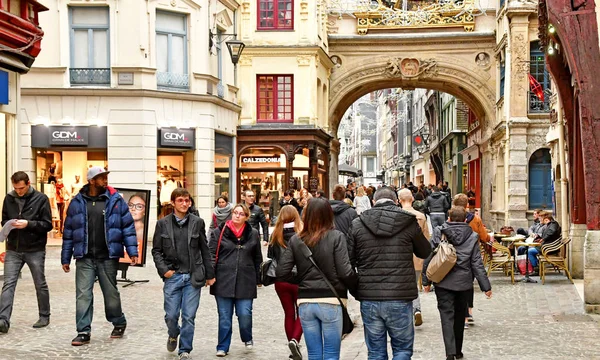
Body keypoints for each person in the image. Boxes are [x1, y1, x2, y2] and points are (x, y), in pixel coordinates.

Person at [348, 187, 430, 359]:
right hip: (400, 295)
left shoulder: (358, 223)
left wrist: (358, 289)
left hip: (370, 297)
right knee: (402, 350)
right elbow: (424, 251)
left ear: (372, 202)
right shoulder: (408, 222)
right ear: (396, 201)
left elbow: (349, 261)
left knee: (376, 352)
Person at [61, 166, 138, 346]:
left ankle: (119, 322)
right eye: (101, 177)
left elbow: (127, 227)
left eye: (105, 177)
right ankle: (83, 331)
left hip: (107, 257)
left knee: (110, 293)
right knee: (83, 295)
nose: (105, 180)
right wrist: (65, 257)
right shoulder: (77, 202)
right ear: (92, 180)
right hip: (84, 258)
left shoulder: (115, 201)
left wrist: (132, 251)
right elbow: (69, 231)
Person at [277, 197, 357, 360]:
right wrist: (356, 287)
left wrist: (301, 279)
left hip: (306, 302)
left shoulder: (296, 239)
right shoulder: (336, 237)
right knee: (331, 354)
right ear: (329, 215)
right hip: (330, 300)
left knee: (314, 354)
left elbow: (282, 272)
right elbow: (345, 271)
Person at [152, 188, 215, 360]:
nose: (185, 203)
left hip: (193, 277)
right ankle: (173, 334)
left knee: (188, 316)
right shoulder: (162, 224)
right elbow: (156, 251)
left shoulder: (197, 222)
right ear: (173, 203)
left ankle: (185, 350)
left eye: (187, 200)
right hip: (173, 276)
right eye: (180, 200)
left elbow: (205, 250)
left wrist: (210, 274)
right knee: (171, 315)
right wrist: (164, 271)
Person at [422, 206, 492, 360]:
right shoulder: (473, 236)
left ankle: (450, 353)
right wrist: (485, 286)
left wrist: (425, 280)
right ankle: (458, 351)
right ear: (465, 219)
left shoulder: (440, 232)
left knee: (446, 316)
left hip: (443, 281)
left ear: (449, 218)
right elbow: (476, 263)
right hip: (463, 283)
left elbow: (429, 255)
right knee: (460, 317)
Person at [0, 171, 53, 334]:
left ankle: (44, 315)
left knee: (40, 283)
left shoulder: (41, 198)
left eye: (21, 188)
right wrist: (10, 224)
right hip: (13, 248)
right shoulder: (9, 198)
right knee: (8, 284)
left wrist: (28, 224)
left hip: (34, 248)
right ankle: (3, 320)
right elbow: (3, 219)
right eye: (16, 188)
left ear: (28, 183)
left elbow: (47, 224)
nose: (19, 191)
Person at [210, 203, 263, 357]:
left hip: (246, 280)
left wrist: (258, 278)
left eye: (241, 214)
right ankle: (222, 346)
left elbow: (257, 257)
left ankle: (247, 337)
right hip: (223, 279)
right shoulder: (219, 232)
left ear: (246, 217)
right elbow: (211, 254)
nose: (237, 216)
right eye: (235, 212)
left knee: (245, 314)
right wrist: (210, 275)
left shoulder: (252, 233)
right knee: (225, 316)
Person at [268, 205, 304, 360]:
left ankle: (292, 344)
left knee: (289, 313)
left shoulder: (276, 234)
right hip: (299, 279)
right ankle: (295, 340)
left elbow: (271, 255)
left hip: (281, 280)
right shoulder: (302, 233)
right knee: (302, 312)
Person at [452, 193, 490, 328]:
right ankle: (468, 312)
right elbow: (484, 237)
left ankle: (461, 314)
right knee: (468, 284)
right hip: (471, 255)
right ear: (467, 205)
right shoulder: (475, 219)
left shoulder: (450, 218)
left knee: (455, 284)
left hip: (453, 256)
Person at [397, 188, 431, 327]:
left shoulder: (396, 216)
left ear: (399, 201)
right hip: (417, 258)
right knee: (413, 285)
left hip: (400, 256)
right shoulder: (421, 216)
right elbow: (426, 239)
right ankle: (416, 309)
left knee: (401, 286)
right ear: (412, 200)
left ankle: (405, 312)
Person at [125, 193, 146, 265]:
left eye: (139, 207)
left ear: (144, 211)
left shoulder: (143, 232)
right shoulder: (122, 227)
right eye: (130, 205)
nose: (133, 209)